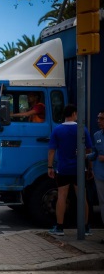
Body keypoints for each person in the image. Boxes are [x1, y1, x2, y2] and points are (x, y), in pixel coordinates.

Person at [48, 104, 92, 236]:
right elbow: (89, 150)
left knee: (61, 197)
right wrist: (90, 167)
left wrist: (49, 167)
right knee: (82, 198)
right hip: (79, 168)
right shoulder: (82, 129)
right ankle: (85, 227)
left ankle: (60, 227)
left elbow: (51, 150)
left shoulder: (57, 130)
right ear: (74, 114)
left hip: (63, 169)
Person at [86, 109, 104, 244]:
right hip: (99, 175)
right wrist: (83, 156)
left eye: (102, 118)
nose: (98, 121)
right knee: (102, 204)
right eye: (98, 118)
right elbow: (95, 154)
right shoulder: (97, 134)